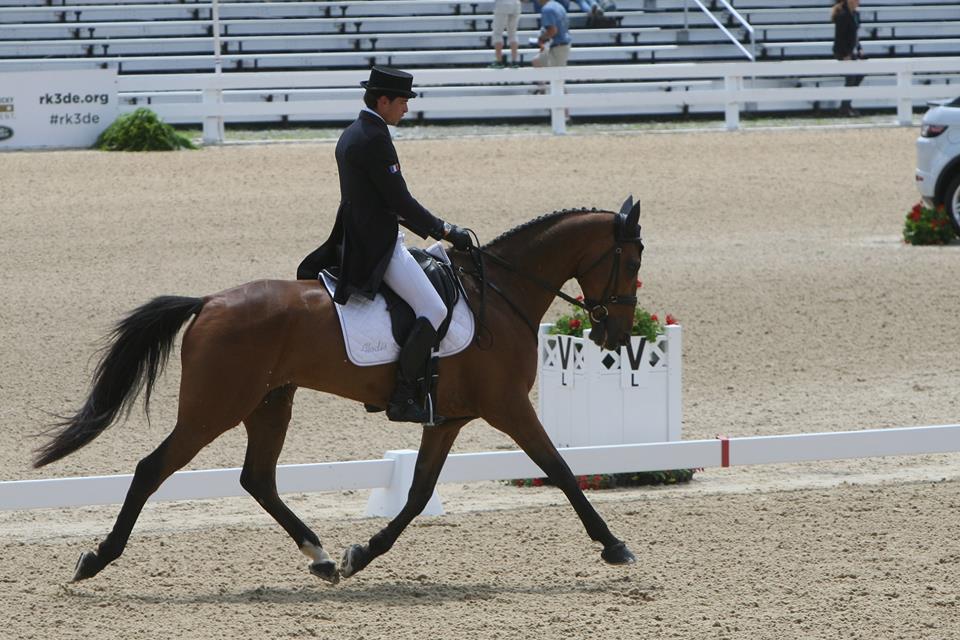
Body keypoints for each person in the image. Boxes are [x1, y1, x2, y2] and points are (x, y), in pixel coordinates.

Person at [296, 66, 473, 424]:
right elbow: (400, 200)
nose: (406, 109)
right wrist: (447, 230)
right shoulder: (374, 138)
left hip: (359, 234)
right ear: (384, 100)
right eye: (403, 101)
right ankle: (404, 395)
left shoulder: (353, 132)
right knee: (434, 309)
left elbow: (383, 200)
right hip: (376, 245)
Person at [832, 0, 864, 117]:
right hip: (842, 51)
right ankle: (845, 107)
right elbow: (840, 37)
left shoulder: (855, 14)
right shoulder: (842, 15)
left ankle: (846, 105)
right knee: (851, 77)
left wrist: (859, 47)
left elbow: (855, 35)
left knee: (859, 75)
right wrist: (846, 54)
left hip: (852, 51)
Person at [532, 0, 572, 68]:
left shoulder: (547, 9)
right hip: (560, 45)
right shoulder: (557, 5)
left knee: (557, 76)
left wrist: (541, 39)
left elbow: (552, 31)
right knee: (537, 62)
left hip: (558, 47)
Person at [491, 0, 522, 68]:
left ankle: (499, 61)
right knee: (513, 33)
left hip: (503, 3)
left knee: (497, 33)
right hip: (516, 3)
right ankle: (514, 61)